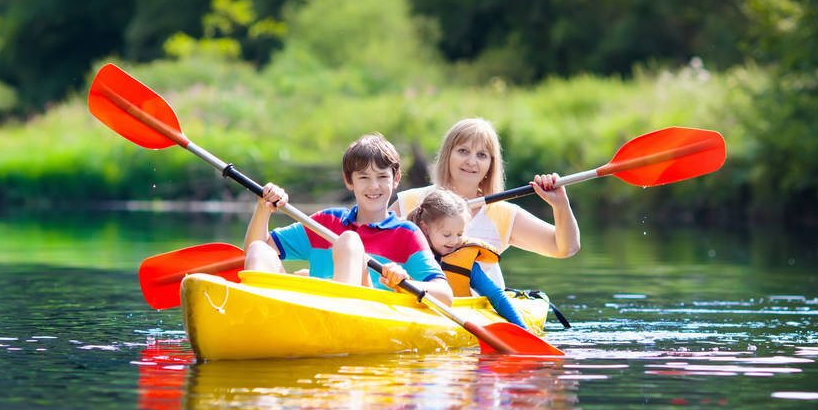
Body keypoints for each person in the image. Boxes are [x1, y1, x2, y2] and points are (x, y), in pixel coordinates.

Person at [243, 133, 454, 304]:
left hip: (364, 318)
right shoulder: (326, 221)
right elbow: (254, 250)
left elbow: (445, 294)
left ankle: (338, 313)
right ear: (349, 180)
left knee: (349, 241)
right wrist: (263, 208)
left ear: (396, 178)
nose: (374, 186)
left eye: (382, 177)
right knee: (259, 249)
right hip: (312, 316)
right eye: (364, 177)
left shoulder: (406, 234)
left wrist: (404, 282)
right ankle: (260, 319)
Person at [391, 117, 580, 287]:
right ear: (448, 155)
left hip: (479, 306)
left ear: (491, 164)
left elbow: (565, 248)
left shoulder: (502, 214)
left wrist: (560, 205)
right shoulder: (411, 201)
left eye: (481, 155)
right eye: (463, 151)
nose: (471, 161)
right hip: (417, 300)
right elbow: (374, 239)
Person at [407, 187, 528, 328]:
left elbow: (495, 295)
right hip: (410, 314)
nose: (454, 241)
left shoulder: (466, 262)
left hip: (454, 321)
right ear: (425, 227)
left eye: (459, 234)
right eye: (447, 235)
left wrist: (523, 329)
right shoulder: (408, 253)